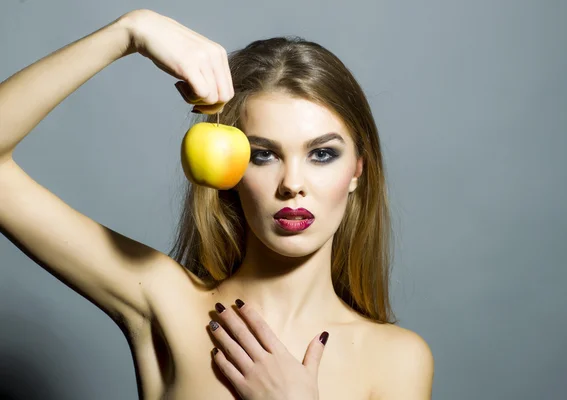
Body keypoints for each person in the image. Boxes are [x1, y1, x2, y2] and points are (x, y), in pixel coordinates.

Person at [0, 8, 434, 400]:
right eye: (263, 154)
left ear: (357, 169)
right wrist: (129, 32)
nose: (292, 185)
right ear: (230, 169)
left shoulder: (398, 360)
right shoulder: (168, 304)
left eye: (321, 153)